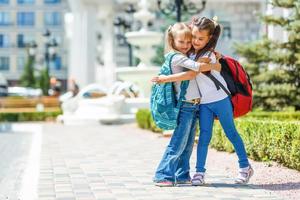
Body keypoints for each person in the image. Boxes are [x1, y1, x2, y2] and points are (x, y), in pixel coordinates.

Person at [152, 17, 254, 185]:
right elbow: (183, 42)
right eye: (194, 37)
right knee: (204, 138)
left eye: (201, 39)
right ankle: (199, 173)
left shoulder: (208, 55)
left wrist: (214, 63)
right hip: (203, 103)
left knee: (231, 133)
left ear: (209, 38)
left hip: (220, 99)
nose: (196, 41)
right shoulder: (189, 54)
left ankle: (245, 167)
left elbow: (198, 70)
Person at [153, 22, 220, 187]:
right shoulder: (177, 57)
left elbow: (194, 66)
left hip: (193, 105)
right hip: (185, 106)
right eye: (181, 42)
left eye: (188, 42)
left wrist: (211, 56)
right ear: (172, 41)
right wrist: (215, 65)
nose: (186, 45)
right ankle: (162, 174)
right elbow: (194, 70)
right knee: (178, 142)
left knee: (188, 144)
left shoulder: (184, 55)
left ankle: (182, 174)